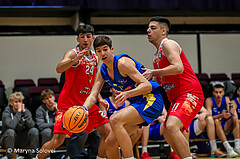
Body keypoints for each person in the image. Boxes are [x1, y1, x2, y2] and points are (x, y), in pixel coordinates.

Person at [36, 24, 111, 159]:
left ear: (92, 39)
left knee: (108, 132)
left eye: (88, 36)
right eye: (82, 37)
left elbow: (92, 82)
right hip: (68, 106)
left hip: (87, 104)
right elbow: (59, 69)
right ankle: (37, 158)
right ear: (77, 39)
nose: (85, 40)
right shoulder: (72, 53)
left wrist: (99, 97)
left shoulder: (95, 56)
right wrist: (73, 61)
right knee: (57, 141)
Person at [83, 35, 164, 159]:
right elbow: (93, 94)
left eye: (105, 49)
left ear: (112, 49)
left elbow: (147, 85)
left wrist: (127, 94)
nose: (103, 53)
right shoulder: (102, 70)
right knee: (110, 142)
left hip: (151, 100)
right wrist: (84, 109)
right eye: (99, 51)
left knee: (115, 119)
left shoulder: (122, 63)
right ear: (96, 53)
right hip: (138, 102)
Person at [143, 16, 204, 159]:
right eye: (148, 28)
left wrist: (153, 71)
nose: (148, 31)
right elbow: (157, 81)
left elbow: (178, 67)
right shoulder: (156, 56)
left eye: (153, 28)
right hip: (176, 98)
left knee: (171, 126)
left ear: (163, 31)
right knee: (165, 130)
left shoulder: (168, 44)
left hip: (190, 92)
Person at [0, 92, 39, 159]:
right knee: (10, 132)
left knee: (34, 130)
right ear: (11, 103)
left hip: (22, 139)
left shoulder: (26, 111)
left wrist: (25, 113)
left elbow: (32, 125)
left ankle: (33, 156)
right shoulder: (6, 112)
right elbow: (11, 126)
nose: (18, 104)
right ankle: (10, 157)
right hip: (7, 140)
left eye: (20, 101)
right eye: (16, 102)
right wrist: (18, 112)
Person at [205, 84, 240, 157]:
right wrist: (221, 115)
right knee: (216, 121)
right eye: (216, 92)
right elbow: (209, 118)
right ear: (213, 93)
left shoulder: (226, 99)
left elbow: (230, 112)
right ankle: (228, 148)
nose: (218, 94)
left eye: (220, 92)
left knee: (235, 118)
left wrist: (231, 113)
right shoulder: (209, 100)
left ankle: (237, 147)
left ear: (223, 92)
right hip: (213, 129)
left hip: (224, 127)